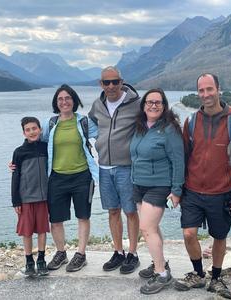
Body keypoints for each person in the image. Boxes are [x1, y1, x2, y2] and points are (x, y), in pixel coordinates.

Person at [174, 73, 231, 299]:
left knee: (219, 236)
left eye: (209, 89)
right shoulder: (192, 121)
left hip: (222, 192)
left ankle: (216, 278)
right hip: (193, 191)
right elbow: (183, 158)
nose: (205, 94)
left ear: (218, 89)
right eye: (201, 90)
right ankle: (198, 274)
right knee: (188, 234)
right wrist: (177, 189)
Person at [130, 88, 184, 294]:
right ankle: (159, 262)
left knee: (146, 228)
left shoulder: (170, 129)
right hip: (138, 184)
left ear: (164, 106)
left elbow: (178, 161)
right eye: (150, 102)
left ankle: (162, 275)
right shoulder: (140, 127)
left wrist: (177, 190)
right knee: (152, 228)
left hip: (158, 185)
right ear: (143, 105)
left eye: (158, 103)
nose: (153, 105)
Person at [40, 84, 99, 272]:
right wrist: (17, 161)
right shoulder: (50, 124)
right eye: (60, 99)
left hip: (82, 176)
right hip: (56, 177)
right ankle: (61, 253)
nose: (64, 102)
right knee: (55, 219)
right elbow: (37, 145)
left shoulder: (84, 122)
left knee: (83, 216)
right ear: (56, 103)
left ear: (74, 101)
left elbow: (105, 138)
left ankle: (80, 254)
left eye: (68, 98)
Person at [88, 66, 140, 274]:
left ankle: (133, 253)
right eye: (106, 82)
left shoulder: (135, 103)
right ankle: (118, 251)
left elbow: (155, 120)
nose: (111, 86)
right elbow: (87, 125)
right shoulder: (97, 105)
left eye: (115, 81)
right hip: (104, 167)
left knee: (130, 211)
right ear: (101, 84)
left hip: (126, 167)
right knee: (112, 210)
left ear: (122, 82)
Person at [11, 116, 50, 276]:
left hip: (43, 197)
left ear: (40, 129)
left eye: (34, 128)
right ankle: (28, 261)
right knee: (27, 232)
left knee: (42, 230)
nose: (32, 132)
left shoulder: (46, 147)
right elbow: (15, 176)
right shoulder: (19, 152)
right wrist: (15, 200)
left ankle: (41, 260)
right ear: (23, 133)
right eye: (28, 130)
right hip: (25, 198)